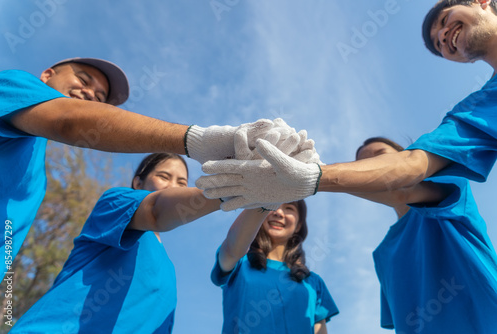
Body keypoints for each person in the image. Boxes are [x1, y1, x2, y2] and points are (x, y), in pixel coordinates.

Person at [0, 57, 315, 285]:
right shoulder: (15, 85)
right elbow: (70, 120)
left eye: (100, 99)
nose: (91, 96)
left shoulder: (36, 179)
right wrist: (204, 144)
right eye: (83, 79)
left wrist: (271, 184)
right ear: (48, 73)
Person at [195, 0, 497, 212]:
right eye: (440, 45)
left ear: (481, 1)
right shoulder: (476, 111)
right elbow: (413, 165)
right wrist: (312, 175)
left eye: (444, 21)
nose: (444, 37)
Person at [10, 152, 221, 333]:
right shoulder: (116, 202)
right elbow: (156, 211)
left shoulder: (169, 274)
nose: (173, 187)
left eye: (182, 183)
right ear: (138, 183)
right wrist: (225, 192)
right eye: (164, 176)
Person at [354, 137, 497, 334]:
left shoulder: (449, 188)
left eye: (380, 155)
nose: (371, 166)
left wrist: (317, 176)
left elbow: (402, 191)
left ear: (406, 156)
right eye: (362, 165)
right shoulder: (382, 254)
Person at [211, 200, 339, 334]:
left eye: (289, 208)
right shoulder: (239, 263)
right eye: (273, 206)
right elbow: (232, 248)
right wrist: (262, 199)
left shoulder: (314, 282)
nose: (278, 213)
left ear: (299, 224)